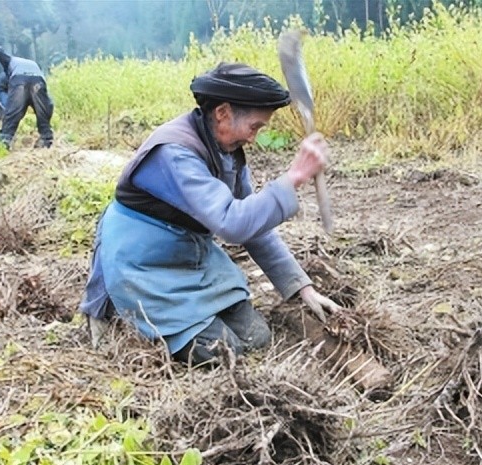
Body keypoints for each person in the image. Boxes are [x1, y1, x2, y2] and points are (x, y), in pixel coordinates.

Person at [80, 62, 341, 364]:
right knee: (222, 353)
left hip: (188, 255)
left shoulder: (225, 151)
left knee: (257, 338)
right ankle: (118, 312)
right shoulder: (175, 153)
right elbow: (233, 223)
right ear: (222, 113)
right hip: (143, 262)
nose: (254, 138)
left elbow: (254, 226)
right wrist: (293, 177)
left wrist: (302, 288)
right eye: (254, 126)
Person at [0, 42, 54, 149]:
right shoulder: (34, 66)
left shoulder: (10, 62)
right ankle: (46, 139)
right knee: (42, 112)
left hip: (19, 81)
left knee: (12, 113)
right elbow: (48, 105)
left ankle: (4, 141)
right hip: (38, 82)